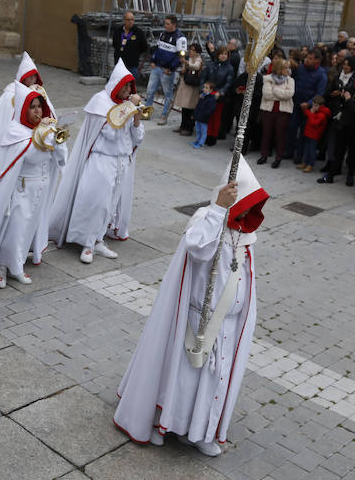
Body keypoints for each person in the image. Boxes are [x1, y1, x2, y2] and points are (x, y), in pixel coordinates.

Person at [114, 160, 267, 457]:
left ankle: (199, 432)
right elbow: (198, 249)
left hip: (228, 325)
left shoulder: (245, 236)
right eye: (244, 204)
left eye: (253, 205)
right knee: (181, 379)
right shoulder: (205, 218)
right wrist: (219, 210)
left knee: (211, 383)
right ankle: (164, 424)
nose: (248, 211)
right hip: (197, 318)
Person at [0, 82, 67, 288]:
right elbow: (27, 157)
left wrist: (56, 140)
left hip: (40, 188)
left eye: (39, 107)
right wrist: (40, 136)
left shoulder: (47, 129)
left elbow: (60, 159)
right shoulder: (16, 132)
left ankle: (17, 265)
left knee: (28, 228)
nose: (37, 111)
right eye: (32, 107)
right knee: (14, 229)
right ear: (23, 109)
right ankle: (1, 267)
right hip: (21, 189)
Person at [49, 60, 143, 264]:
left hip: (120, 162)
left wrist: (136, 120)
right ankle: (86, 243)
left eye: (130, 87)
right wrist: (128, 109)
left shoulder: (125, 107)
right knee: (96, 202)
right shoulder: (100, 102)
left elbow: (137, 139)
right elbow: (110, 132)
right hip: (102, 160)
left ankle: (98, 239)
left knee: (110, 204)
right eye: (125, 86)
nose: (128, 91)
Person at [0, 52, 55, 146]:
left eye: (34, 75)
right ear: (23, 77)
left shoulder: (40, 92)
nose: (33, 78)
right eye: (29, 76)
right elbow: (7, 113)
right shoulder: (11, 93)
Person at [286, 49, 327, 163]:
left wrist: (309, 103)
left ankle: (299, 156)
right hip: (296, 103)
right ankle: (289, 151)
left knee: (304, 133)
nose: (306, 60)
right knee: (291, 128)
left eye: (310, 58)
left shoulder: (321, 74)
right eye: (306, 58)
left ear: (317, 60)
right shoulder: (300, 69)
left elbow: (320, 92)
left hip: (309, 108)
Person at [143, 15, 185, 125]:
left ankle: (164, 115)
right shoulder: (163, 34)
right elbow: (157, 49)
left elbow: (181, 57)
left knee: (167, 94)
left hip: (167, 71)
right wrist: (153, 60)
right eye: (165, 23)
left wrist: (171, 68)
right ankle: (147, 113)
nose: (165, 25)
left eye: (167, 24)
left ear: (174, 25)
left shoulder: (180, 38)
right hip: (156, 68)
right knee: (150, 91)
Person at [257, 59, 294, 167]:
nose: (288, 70)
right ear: (279, 68)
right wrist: (282, 93)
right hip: (268, 110)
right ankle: (264, 155)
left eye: (288, 68)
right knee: (266, 133)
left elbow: (290, 94)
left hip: (283, 112)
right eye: (285, 68)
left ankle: (278, 157)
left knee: (280, 135)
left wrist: (275, 90)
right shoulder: (267, 78)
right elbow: (267, 95)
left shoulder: (290, 80)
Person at [202, 45, 234, 145]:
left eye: (225, 54)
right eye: (221, 53)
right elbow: (203, 78)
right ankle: (205, 135)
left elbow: (228, 83)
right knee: (206, 116)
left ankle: (213, 137)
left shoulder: (230, 68)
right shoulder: (210, 65)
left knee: (216, 118)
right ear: (217, 55)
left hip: (218, 97)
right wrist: (202, 90)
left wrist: (220, 92)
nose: (223, 56)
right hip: (207, 94)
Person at [173, 43, 203, 136]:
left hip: (192, 87)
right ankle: (183, 126)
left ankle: (189, 128)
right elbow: (184, 70)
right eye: (190, 49)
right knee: (184, 108)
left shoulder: (199, 59)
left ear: (197, 52)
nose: (191, 51)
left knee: (190, 109)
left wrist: (185, 63)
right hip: (185, 85)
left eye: (193, 50)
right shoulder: (189, 58)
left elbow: (196, 66)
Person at [296, 96, 330, 173]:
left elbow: (314, 123)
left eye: (315, 106)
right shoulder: (314, 111)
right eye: (313, 105)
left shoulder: (322, 115)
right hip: (308, 133)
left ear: (321, 106)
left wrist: (310, 113)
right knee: (307, 149)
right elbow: (307, 115)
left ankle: (310, 164)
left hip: (314, 136)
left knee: (312, 150)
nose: (313, 107)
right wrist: (307, 111)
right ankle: (305, 162)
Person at [112, 11, 149, 82]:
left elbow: (144, 47)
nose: (130, 22)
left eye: (132, 19)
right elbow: (115, 44)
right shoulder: (118, 31)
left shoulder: (138, 32)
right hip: (120, 63)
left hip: (132, 64)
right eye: (128, 20)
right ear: (124, 20)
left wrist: (135, 52)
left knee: (131, 85)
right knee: (119, 84)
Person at [190, 81, 217, 150]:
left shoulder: (212, 99)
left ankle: (201, 143)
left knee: (203, 131)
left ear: (211, 90)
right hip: (198, 117)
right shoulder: (202, 96)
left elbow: (211, 109)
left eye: (206, 88)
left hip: (204, 118)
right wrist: (194, 114)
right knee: (198, 130)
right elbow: (198, 106)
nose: (204, 89)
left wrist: (203, 115)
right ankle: (197, 140)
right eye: (204, 87)